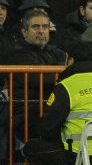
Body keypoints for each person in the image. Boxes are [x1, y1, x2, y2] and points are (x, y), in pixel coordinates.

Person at [22, 40, 92, 165]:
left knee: (31, 148)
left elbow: (47, 129)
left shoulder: (67, 86)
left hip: (81, 156)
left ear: (71, 60)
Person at [8, 9, 67, 141]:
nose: (41, 31)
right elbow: (36, 80)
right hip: (27, 113)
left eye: (45, 27)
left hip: (54, 107)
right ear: (24, 32)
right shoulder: (16, 54)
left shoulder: (57, 52)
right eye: (36, 27)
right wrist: (62, 75)